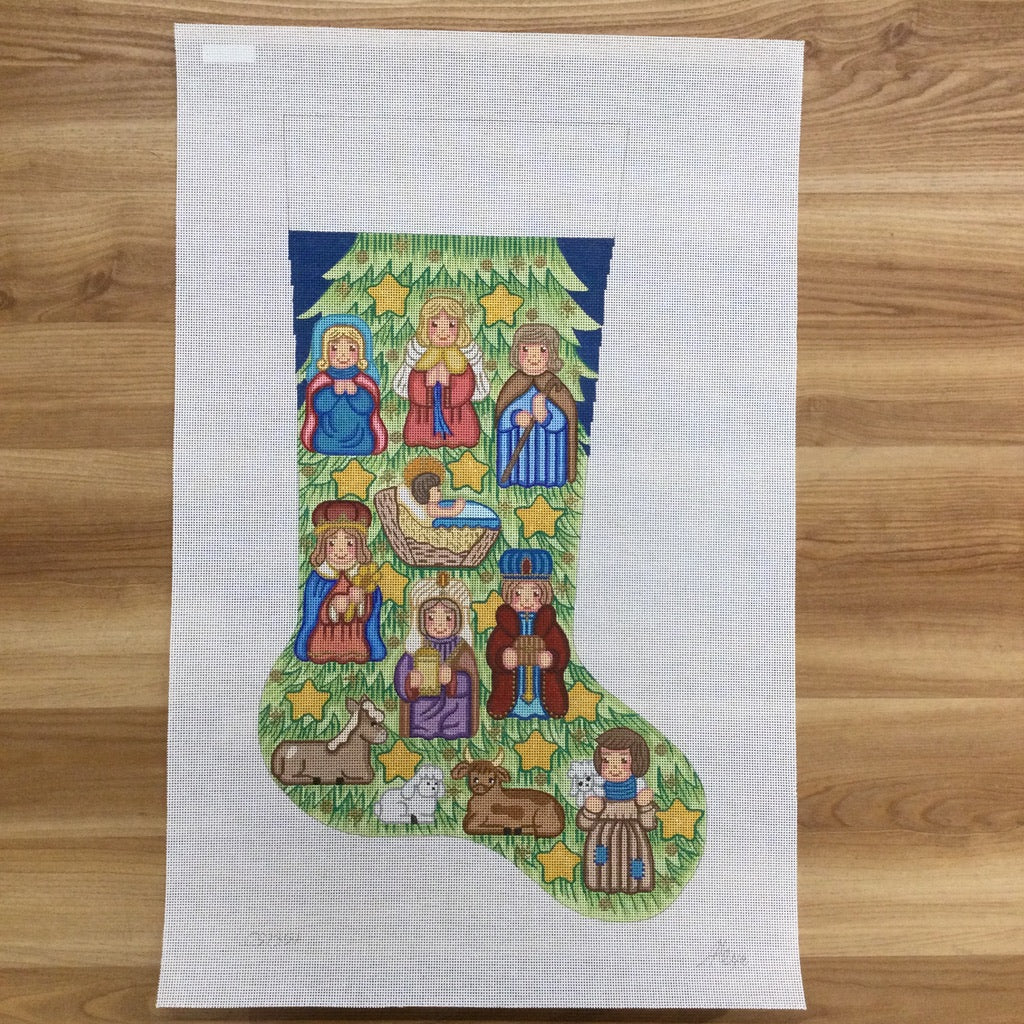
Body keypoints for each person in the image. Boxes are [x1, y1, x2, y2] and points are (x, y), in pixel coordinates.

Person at [293, 500, 386, 665]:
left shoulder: (365, 577)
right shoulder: (318, 579)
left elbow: (371, 611)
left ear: (359, 547)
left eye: (349, 543)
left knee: (358, 649)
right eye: (332, 543)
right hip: (324, 637)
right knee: (320, 648)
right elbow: (312, 612)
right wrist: (331, 608)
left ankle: (356, 651)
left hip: (355, 637)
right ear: (322, 546)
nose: (340, 551)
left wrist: (362, 602)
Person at [392, 292, 489, 448]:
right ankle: (423, 437)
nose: (443, 332)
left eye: (451, 325)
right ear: (425, 327)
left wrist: (449, 383)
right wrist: (427, 383)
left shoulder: (462, 359)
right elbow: (412, 390)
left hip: (458, 416)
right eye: (435, 325)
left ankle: (457, 437)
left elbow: (468, 388)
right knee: (420, 434)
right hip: (424, 417)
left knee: (463, 434)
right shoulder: (421, 358)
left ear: (460, 328)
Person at [393, 573, 480, 740]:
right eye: (432, 617)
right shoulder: (415, 648)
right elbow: (401, 677)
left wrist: (454, 679)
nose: (440, 625)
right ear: (421, 620)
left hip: (454, 718)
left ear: (458, 620)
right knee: (423, 734)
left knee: (454, 732)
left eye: (447, 618)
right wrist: (410, 682)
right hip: (422, 716)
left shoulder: (463, 650)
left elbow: (472, 683)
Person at [485, 548, 569, 720]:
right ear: (508, 594)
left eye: (535, 594)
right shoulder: (505, 624)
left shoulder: (548, 624)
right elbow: (492, 652)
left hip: (544, 690)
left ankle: (542, 708)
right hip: (510, 690)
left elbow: (562, 651)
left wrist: (552, 658)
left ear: (544, 595)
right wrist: (502, 657)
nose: (526, 600)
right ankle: (514, 708)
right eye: (518, 594)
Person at [494, 323, 577, 488]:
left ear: (551, 354)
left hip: (547, 449)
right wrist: (514, 417)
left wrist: (546, 417)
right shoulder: (514, 384)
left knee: (547, 464)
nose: (534, 357)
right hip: (517, 449)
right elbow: (502, 417)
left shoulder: (554, 386)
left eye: (542, 350)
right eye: (525, 349)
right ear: (516, 352)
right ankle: (513, 479)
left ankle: (551, 480)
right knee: (519, 464)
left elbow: (564, 421)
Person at [576, 727, 658, 894]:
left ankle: (634, 885)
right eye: (606, 760)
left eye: (623, 760)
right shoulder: (597, 792)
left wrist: (645, 806)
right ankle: (600, 883)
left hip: (632, 840)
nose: (614, 768)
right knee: (601, 860)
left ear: (636, 762)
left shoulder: (639, 795)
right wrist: (590, 811)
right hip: (602, 840)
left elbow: (649, 824)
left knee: (635, 861)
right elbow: (583, 825)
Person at [300, 315, 387, 456]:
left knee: (364, 440)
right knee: (324, 440)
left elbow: (369, 410)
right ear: (325, 352)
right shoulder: (321, 380)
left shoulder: (364, 381)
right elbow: (317, 408)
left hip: (360, 440)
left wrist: (356, 394)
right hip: (326, 439)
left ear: (360, 352)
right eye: (334, 348)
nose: (343, 355)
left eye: (351, 348)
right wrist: (332, 393)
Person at [399, 456, 500, 529]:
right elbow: (450, 513)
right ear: (426, 493)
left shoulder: (434, 505)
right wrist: (458, 507)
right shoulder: (431, 509)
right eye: (437, 490)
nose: (440, 493)